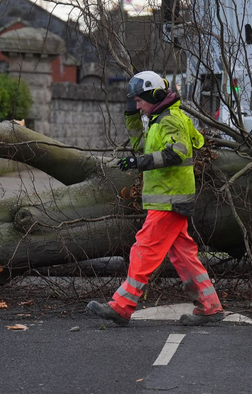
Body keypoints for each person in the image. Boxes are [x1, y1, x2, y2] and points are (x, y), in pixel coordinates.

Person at [87, 71, 224, 327]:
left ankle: (122, 306)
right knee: (184, 256)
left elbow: (177, 153)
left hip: (169, 200)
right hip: (169, 199)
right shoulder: (159, 119)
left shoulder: (170, 120)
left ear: (154, 95)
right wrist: (131, 117)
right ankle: (210, 306)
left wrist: (138, 163)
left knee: (144, 251)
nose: (137, 105)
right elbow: (141, 146)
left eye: (139, 100)